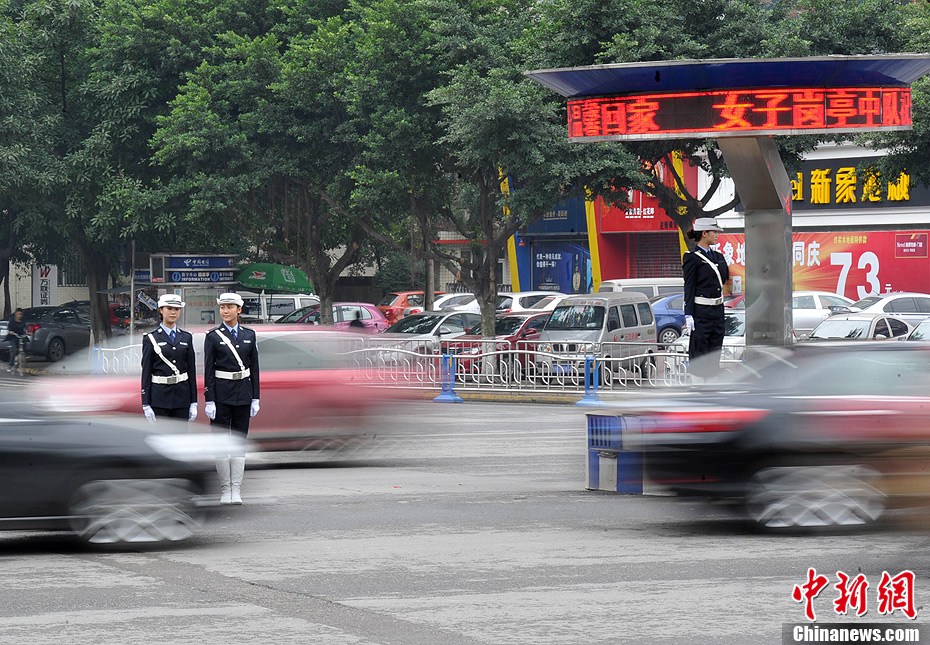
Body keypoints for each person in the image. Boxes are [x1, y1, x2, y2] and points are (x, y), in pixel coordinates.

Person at [204, 292, 260, 505]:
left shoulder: (249, 335)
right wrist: (209, 399)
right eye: (223, 307)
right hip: (220, 395)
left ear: (239, 309)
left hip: (243, 394)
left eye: (230, 307)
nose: (226, 311)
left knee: (238, 442)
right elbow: (209, 370)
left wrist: (256, 397)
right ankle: (224, 489)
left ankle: (236, 489)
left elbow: (254, 368)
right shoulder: (213, 336)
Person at [683, 217, 730, 378]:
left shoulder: (718, 256)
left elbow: (724, 279)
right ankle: (698, 386)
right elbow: (689, 287)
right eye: (714, 232)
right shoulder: (692, 257)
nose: (717, 235)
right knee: (700, 350)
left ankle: (711, 383)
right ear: (704, 233)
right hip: (701, 311)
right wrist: (688, 313)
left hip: (717, 310)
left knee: (715, 348)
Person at [141, 294, 197, 422]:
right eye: (169, 308)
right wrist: (146, 403)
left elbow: (191, 372)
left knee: (180, 439)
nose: (173, 312)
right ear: (161, 310)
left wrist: (194, 402)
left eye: (176, 309)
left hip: (182, 397)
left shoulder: (186, 337)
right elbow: (146, 372)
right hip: (159, 397)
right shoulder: (151, 338)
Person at [6, 308, 26, 372]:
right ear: (15, 314)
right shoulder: (11, 320)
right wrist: (11, 332)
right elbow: (9, 328)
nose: (19, 316)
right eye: (18, 314)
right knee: (14, 350)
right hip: (13, 337)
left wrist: (27, 332)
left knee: (24, 347)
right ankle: (10, 365)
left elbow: (25, 328)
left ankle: (21, 361)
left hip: (20, 336)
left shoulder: (23, 321)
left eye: (20, 314)